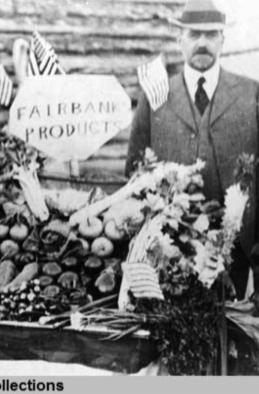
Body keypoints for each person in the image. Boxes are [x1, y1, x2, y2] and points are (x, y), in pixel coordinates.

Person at [126, 0, 259, 298]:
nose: (202, 43)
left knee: (231, 334)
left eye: (211, 34)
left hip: (236, 249)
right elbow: (134, 173)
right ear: (179, 40)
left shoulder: (251, 94)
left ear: (222, 40)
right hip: (170, 248)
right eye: (194, 34)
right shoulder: (157, 95)